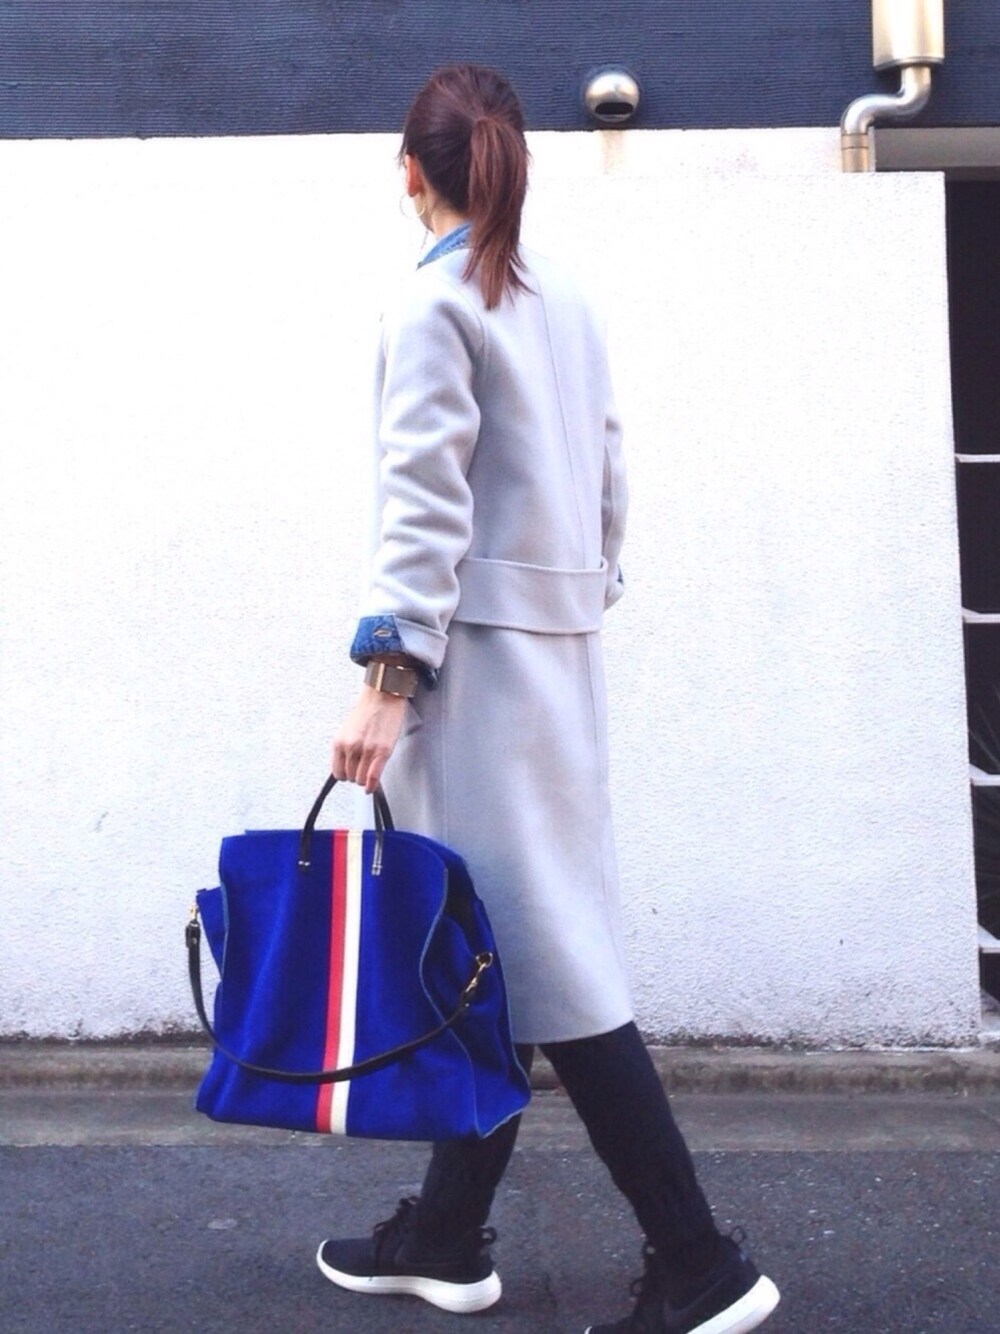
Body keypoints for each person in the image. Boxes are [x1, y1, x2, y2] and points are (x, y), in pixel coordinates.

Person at [322, 63, 780, 1334]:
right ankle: (444, 1234)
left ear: (408, 170)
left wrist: (386, 676)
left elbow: (424, 503)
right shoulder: (558, 295)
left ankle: (698, 1258)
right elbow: (609, 471)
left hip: (475, 673)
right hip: (556, 655)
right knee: (506, 954)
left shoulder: (434, 304)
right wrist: (577, 596)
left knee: (546, 963)